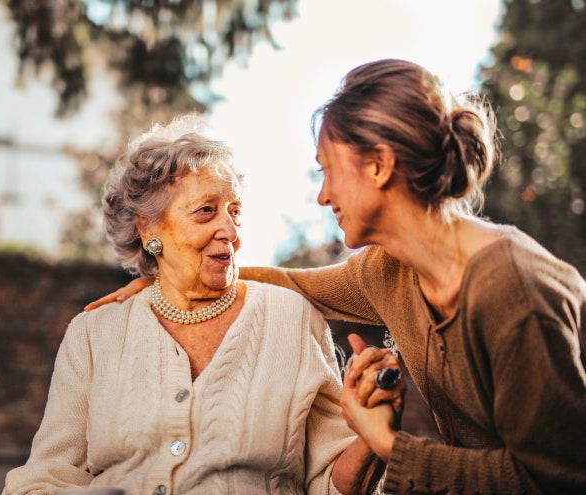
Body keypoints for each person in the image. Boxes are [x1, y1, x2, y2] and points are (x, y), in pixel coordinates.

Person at [84, 60, 586, 494]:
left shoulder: (511, 288)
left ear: (380, 166)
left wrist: (388, 443)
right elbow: (293, 283)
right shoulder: (389, 271)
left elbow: (556, 479)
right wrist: (172, 279)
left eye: (327, 170)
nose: (323, 196)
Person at [3, 114, 405, 495]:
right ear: (149, 229)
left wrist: (372, 438)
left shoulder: (293, 319)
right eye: (206, 212)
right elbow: (44, 478)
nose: (229, 231)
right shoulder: (94, 334)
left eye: (235, 212)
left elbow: (331, 485)